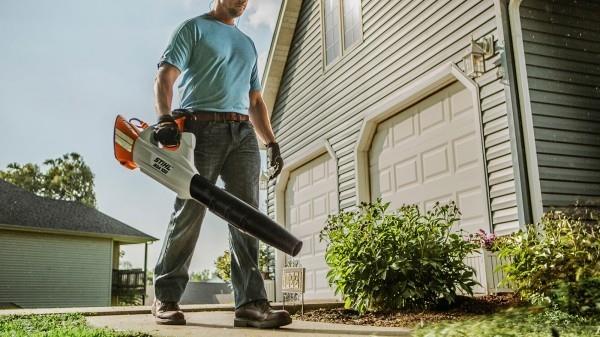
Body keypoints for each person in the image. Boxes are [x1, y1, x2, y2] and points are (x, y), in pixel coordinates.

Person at [150, 0, 288, 329]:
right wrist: (164, 118)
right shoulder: (193, 28)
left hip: (242, 133)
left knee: (247, 217)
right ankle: (165, 296)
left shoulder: (247, 43)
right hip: (200, 129)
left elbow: (255, 100)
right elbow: (165, 78)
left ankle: (251, 303)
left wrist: (271, 141)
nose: (244, 1)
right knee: (190, 210)